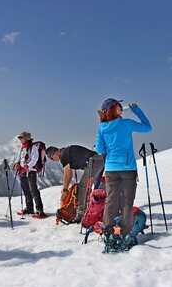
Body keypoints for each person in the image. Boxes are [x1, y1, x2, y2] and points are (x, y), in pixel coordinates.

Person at [95, 98, 151, 242]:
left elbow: (100, 149)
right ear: (114, 109)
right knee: (127, 202)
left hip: (111, 169)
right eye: (119, 105)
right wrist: (136, 110)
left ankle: (108, 232)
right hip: (128, 169)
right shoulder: (126, 124)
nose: (121, 107)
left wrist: (110, 147)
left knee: (111, 201)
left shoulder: (102, 127)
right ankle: (126, 233)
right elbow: (147, 127)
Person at [45, 145, 104, 223]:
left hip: (93, 162)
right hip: (98, 160)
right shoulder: (66, 151)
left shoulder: (63, 155)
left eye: (51, 158)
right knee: (87, 187)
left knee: (82, 187)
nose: (53, 160)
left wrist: (65, 189)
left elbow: (68, 174)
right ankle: (89, 210)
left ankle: (80, 215)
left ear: (55, 152)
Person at [14, 131, 47, 217]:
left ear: (26, 138)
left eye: (21, 138)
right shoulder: (22, 148)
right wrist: (17, 163)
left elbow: (35, 158)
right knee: (26, 190)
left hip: (31, 170)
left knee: (33, 190)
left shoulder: (34, 147)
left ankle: (40, 209)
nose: (20, 139)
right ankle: (29, 208)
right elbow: (18, 158)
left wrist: (28, 166)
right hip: (22, 171)